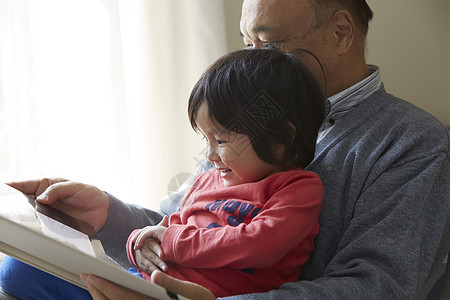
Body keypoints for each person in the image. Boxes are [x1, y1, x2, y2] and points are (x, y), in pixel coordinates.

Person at [2, 0, 450, 299]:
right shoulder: (245, 118)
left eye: (269, 43)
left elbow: (377, 287)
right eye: (246, 43)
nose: (253, 61)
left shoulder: (412, 142)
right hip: (177, 286)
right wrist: (103, 218)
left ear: (340, 32)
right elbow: (179, 231)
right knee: (20, 272)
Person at [1, 47, 326, 298]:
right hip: (145, 284)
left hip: (188, 295)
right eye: (206, 139)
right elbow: (165, 227)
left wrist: (168, 241)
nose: (210, 155)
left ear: (282, 140)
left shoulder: (299, 189)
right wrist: (138, 246)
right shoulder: (209, 180)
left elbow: (258, 244)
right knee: (17, 271)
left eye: (222, 140)